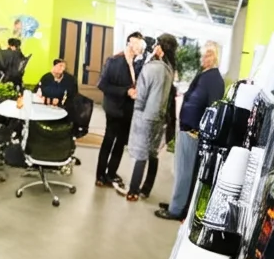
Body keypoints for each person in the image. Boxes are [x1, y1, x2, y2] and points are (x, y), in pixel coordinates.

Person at [156, 42, 225, 221]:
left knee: (184, 173)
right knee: (180, 171)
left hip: (194, 133)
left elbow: (213, 110)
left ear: (215, 57)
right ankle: (176, 203)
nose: (203, 58)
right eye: (203, 54)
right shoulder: (204, 74)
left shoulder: (214, 79)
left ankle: (176, 210)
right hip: (187, 129)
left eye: (207, 55)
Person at [120, 34, 177, 202]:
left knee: (140, 154)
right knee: (152, 153)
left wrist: (137, 107)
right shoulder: (169, 68)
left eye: (156, 45)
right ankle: (146, 189)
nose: (154, 48)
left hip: (145, 116)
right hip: (159, 116)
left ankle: (133, 191)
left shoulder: (152, 67)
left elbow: (142, 94)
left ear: (160, 48)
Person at [96, 32, 144, 188]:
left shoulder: (135, 64)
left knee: (120, 144)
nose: (139, 47)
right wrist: (126, 91)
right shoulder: (114, 61)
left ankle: (111, 174)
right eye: (137, 44)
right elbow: (102, 85)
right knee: (108, 142)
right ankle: (100, 175)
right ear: (130, 43)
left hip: (128, 111)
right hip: (114, 109)